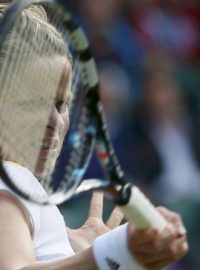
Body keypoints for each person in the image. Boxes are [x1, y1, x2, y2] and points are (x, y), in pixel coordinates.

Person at [0, 4, 188, 270]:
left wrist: (81, 254)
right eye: (33, 103)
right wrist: (110, 254)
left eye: (61, 104)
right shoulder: (12, 179)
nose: (54, 122)